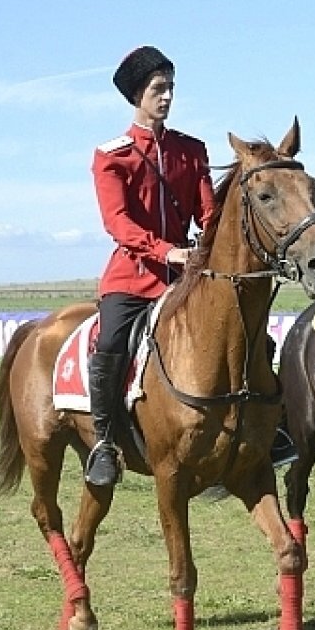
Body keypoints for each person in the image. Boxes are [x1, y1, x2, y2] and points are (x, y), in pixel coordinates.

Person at [85, 46, 217, 486]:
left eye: (170, 88)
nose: (167, 97)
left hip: (186, 278)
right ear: (137, 94)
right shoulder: (112, 155)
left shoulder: (191, 150)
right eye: (158, 89)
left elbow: (209, 214)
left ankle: (266, 425)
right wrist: (165, 251)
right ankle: (104, 442)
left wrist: (211, 247)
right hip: (132, 277)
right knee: (111, 347)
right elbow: (117, 223)